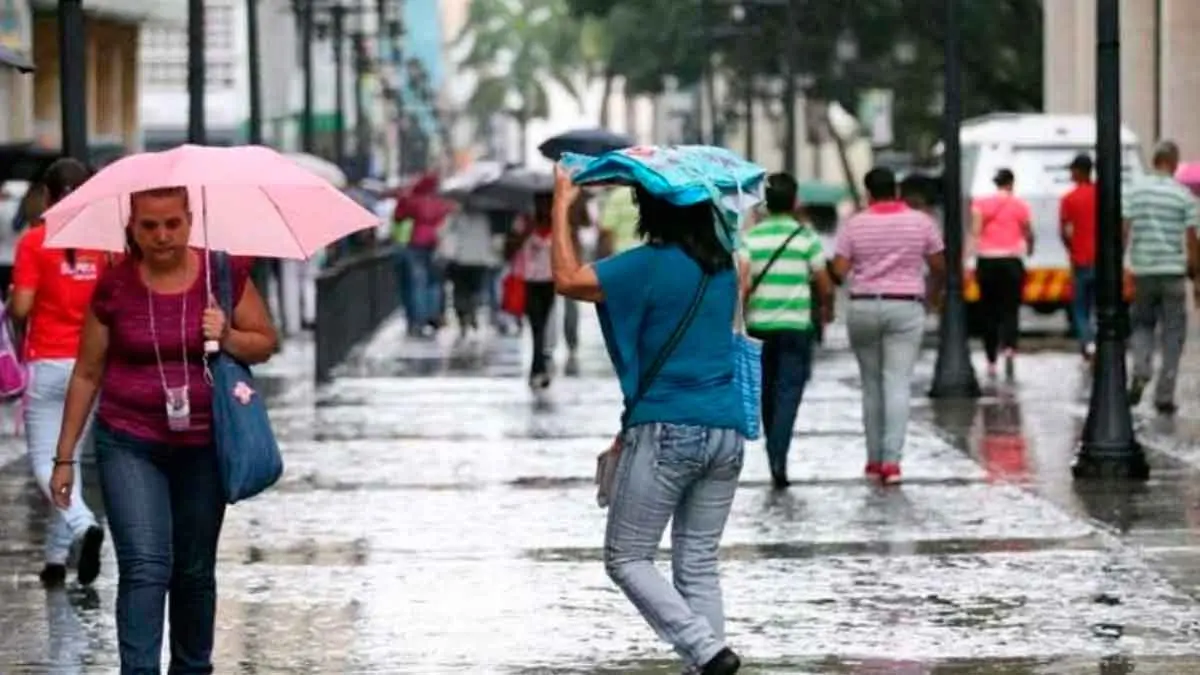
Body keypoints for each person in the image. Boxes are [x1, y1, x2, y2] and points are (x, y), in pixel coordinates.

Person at [49, 186, 278, 673]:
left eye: (172, 223)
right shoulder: (114, 286)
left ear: (190, 219)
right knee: (145, 568)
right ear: (131, 225)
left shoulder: (222, 273)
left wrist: (228, 334)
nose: (162, 235)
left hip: (204, 445)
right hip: (129, 441)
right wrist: (64, 455)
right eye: (149, 225)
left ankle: (193, 668)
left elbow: (264, 342)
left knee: (194, 573)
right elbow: (88, 372)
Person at [550, 168, 744, 674]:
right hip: (727, 431)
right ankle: (707, 663)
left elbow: (568, 279)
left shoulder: (648, 266)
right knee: (698, 562)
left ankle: (706, 652)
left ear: (651, 213)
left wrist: (561, 203)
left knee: (627, 557)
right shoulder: (727, 268)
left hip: (668, 429)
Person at [8, 158, 106, 587]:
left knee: (47, 463)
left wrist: (13, 298)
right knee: (68, 459)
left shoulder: (34, 242)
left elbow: (24, 308)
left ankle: (83, 526)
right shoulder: (108, 245)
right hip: (93, 368)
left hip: (48, 364)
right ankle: (55, 558)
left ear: (46, 197)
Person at [833, 167, 945, 485]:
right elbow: (939, 265)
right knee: (897, 383)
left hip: (863, 306)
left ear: (868, 192)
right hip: (906, 305)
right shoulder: (921, 222)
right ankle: (892, 463)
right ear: (895, 190)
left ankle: (872, 460)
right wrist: (931, 296)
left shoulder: (855, 224)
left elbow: (840, 270)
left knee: (871, 386)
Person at [742, 172, 834, 489]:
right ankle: (779, 452)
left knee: (766, 391)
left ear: (765, 203)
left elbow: (743, 286)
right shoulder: (805, 236)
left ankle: (773, 450)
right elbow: (824, 284)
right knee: (789, 392)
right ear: (794, 201)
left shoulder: (751, 238)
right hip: (796, 327)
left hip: (759, 327)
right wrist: (827, 309)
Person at [1124, 140, 1200, 414]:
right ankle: (1164, 394)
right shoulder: (1183, 196)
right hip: (1173, 273)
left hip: (1143, 271)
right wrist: (1196, 276)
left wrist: (1124, 264)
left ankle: (1142, 369)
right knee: (1173, 333)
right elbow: (1192, 240)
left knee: (1142, 325)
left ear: (1154, 160)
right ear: (1174, 162)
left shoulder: (1135, 191)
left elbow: (1124, 228)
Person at [969, 168, 1033, 380]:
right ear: (1011, 183)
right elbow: (1028, 231)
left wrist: (969, 258)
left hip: (987, 259)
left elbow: (976, 232)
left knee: (988, 310)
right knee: (1011, 308)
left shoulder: (981, 203)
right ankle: (1010, 349)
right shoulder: (1020, 205)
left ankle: (990, 359)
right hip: (1011, 260)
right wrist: (1030, 248)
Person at [394, 172, 453, 338]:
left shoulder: (414, 200)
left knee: (417, 283)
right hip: (437, 244)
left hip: (416, 242)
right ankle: (433, 316)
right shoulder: (442, 201)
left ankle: (417, 321)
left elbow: (399, 216)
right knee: (434, 283)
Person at [506, 194, 557, 390]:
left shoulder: (557, 221)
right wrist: (524, 233)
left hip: (550, 280)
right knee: (536, 325)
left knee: (542, 324)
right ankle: (538, 368)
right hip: (527, 281)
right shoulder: (524, 221)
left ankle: (538, 368)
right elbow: (509, 249)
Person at [1059, 154, 1098, 361]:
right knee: (1099, 307)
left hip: (1080, 260)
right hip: (1101, 261)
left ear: (1080, 171)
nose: (1070, 174)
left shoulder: (1069, 199)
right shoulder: (1102, 194)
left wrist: (1071, 248)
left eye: (1072, 170)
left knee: (1080, 308)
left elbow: (1065, 231)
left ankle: (1088, 344)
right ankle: (1096, 343)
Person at [443, 206, 502, 341]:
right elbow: (492, 237)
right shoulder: (486, 217)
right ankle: (472, 312)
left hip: (460, 259)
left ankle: (463, 316)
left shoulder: (456, 216)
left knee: (460, 291)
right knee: (476, 289)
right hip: (480, 260)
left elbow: (445, 232)